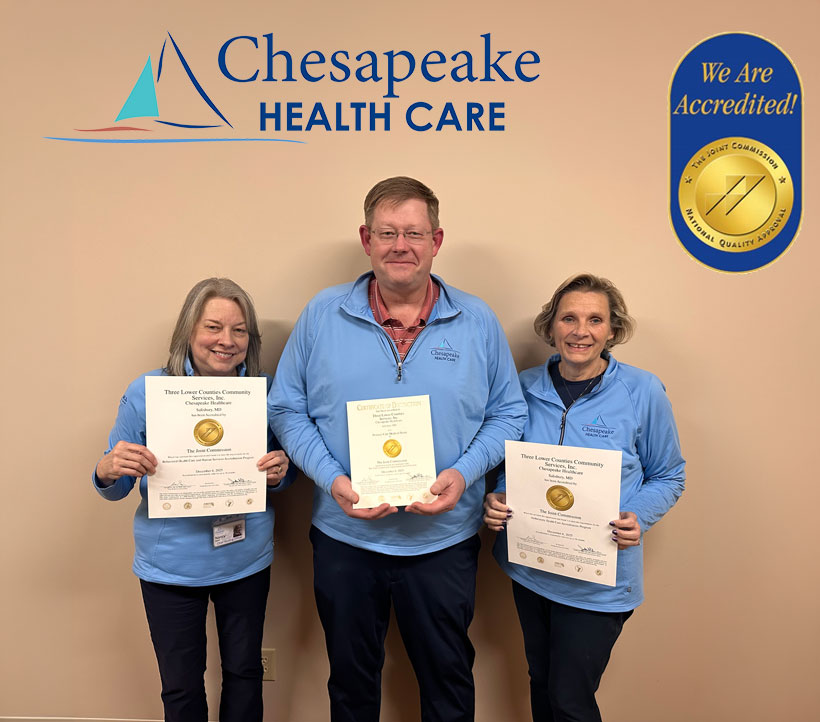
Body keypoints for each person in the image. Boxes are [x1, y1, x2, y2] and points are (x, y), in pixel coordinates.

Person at [268, 177, 527, 722]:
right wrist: (333, 479)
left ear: (437, 239)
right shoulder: (322, 314)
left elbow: (510, 414)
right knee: (352, 683)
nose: (400, 245)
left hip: (443, 541)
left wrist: (463, 472)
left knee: (448, 681)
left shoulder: (477, 320)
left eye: (413, 232)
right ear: (366, 239)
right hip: (346, 538)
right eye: (387, 232)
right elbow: (287, 408)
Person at [484, 273, 686, 722]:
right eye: (569, 318)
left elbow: (669, 474)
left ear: (612, 331)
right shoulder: (523, 386)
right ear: (551, 327)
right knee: (540, 681)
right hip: (531, 568)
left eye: (595, 320)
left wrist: (639, 516)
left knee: (570, 700)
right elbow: (505, 465)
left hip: (599, 580)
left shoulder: (643, 391)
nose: (581, 331)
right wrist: (497, 497)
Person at [93, 278, 294, 722]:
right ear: (188, 330)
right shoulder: (148, 391)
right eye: (214, 327)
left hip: (244, 559)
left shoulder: (266, 392)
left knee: (244, 673)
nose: (227, 341)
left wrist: (281, 473)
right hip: (170, 565)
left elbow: (285, 474)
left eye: (240, 330)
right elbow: (116, 483)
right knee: (181, 686)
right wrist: (108, 469)